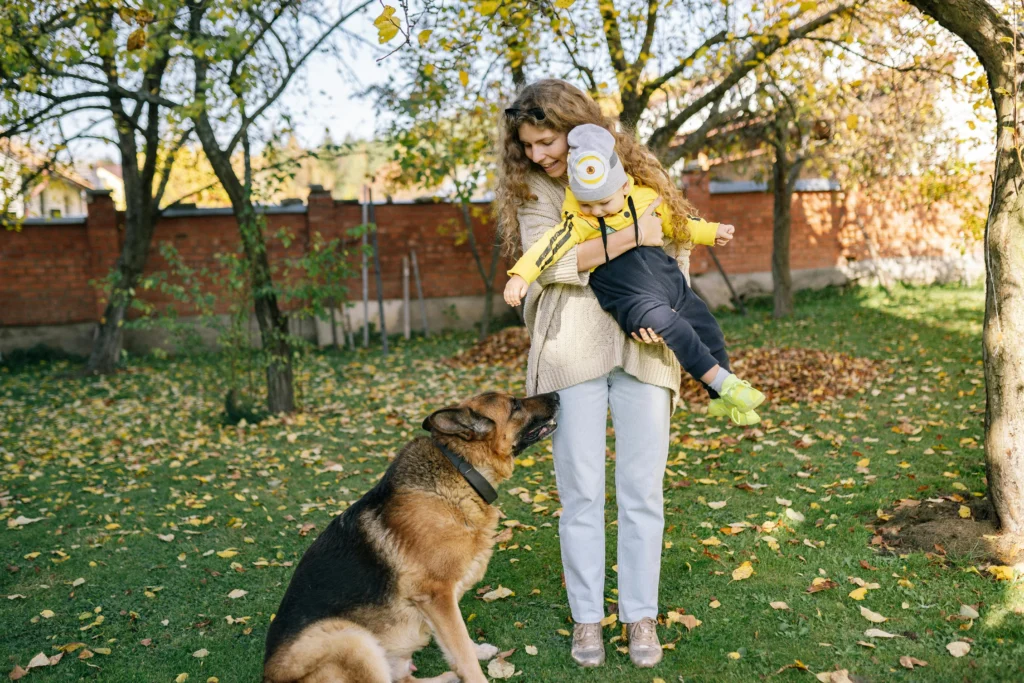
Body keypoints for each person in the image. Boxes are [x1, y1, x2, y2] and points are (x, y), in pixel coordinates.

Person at [495, 79, 744, 670]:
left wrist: (662, 304)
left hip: (645, 344)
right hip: (568, 348)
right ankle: (587, 619)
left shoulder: (639, 166)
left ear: (577, 127)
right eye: (527, 146)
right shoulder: (533, 187)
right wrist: (634, 236)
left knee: (642, 491)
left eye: (546, 141)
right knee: (579, 492)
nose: (538, 156)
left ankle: (639, 615)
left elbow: (675, 241)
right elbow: (549, 262)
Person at [503, 123, 764, 425]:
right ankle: (725, 384)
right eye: (588, 204)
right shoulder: (577, 223)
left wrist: (711, 231)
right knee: (675, 328)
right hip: (634, 301)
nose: (597, 210)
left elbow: (679, 223)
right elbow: (544, 250)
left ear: (624, 186)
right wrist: (521, 276)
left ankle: (718, 396)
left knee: (708, 327)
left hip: (670, 285)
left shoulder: (644, 200)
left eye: (604, 202)